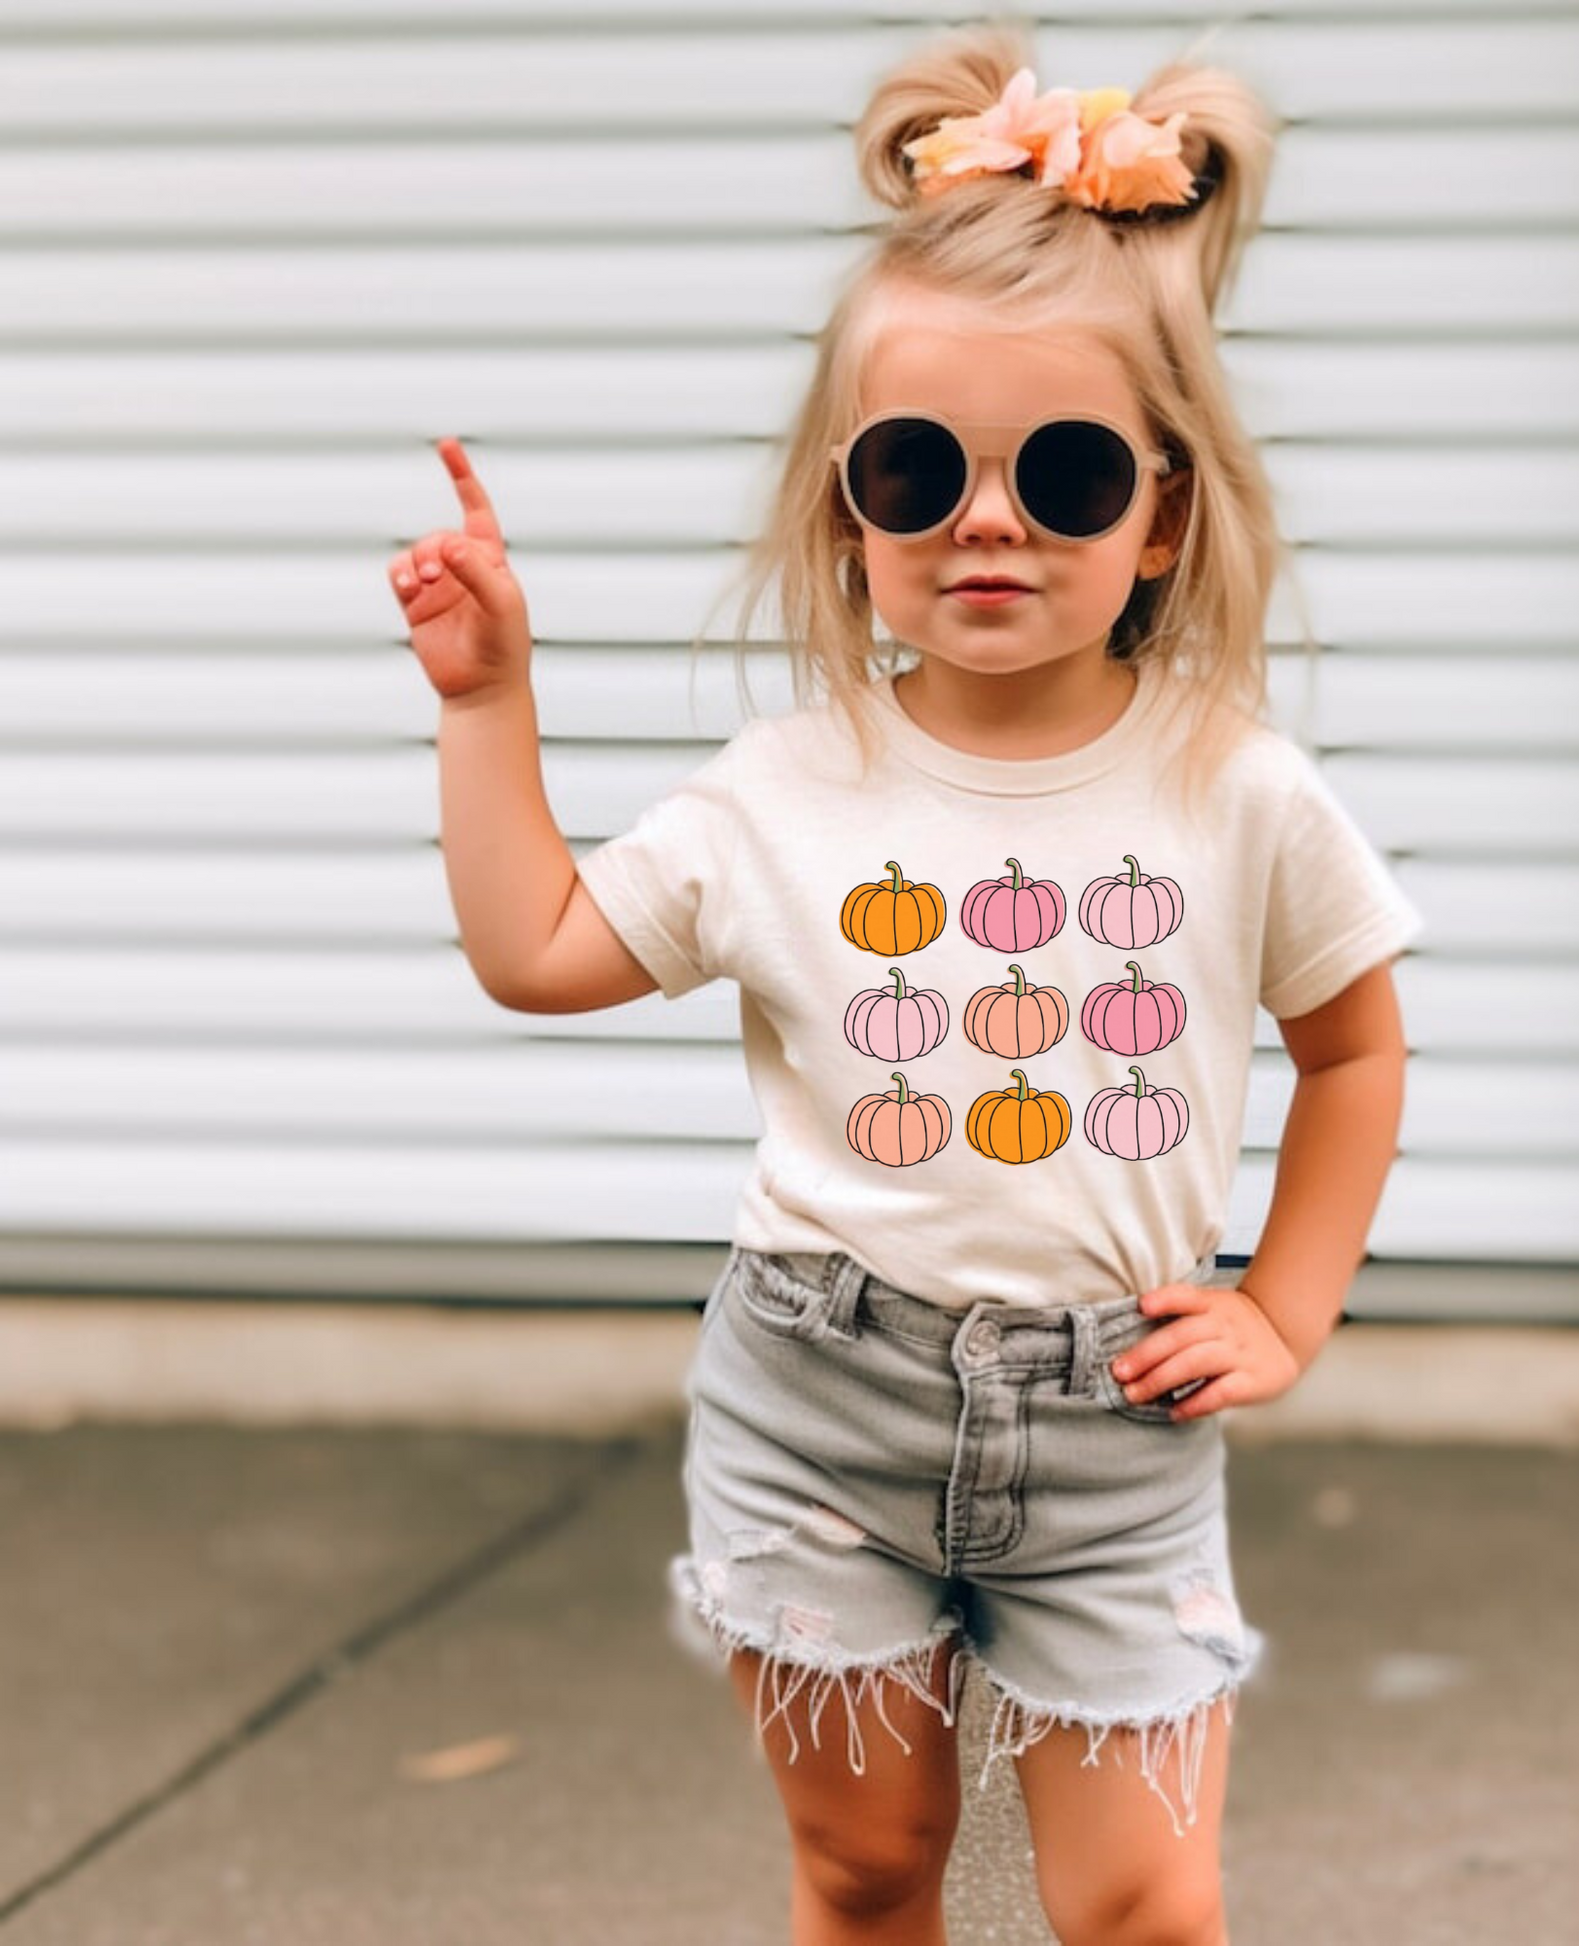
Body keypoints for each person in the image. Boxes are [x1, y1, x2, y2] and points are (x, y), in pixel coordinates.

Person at [388, 22, 1424, 1945]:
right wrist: (487, 704)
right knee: (868, 1870)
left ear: (1167, 514)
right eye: (917, 463)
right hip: (817, 1404)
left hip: (1116, 1427)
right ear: (848, 508)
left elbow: (1353, 1046)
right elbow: (535, 952)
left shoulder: (1237, 790)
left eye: (1070, 467)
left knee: (1145, 1909)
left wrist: (1285, 1304)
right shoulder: (781, 796)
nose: (990, 514)